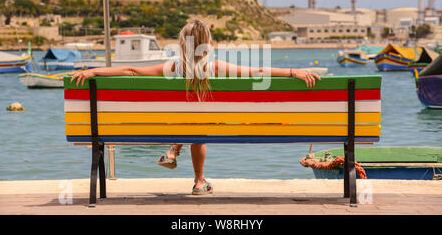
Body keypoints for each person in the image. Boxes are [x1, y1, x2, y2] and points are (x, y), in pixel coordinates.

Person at [70, 19, 320, 195]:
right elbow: (257, 72)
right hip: (212, 127)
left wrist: (94, 70)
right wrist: (292, 71)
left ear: (182, 42)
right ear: (207, 43)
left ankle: (173, 151)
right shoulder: (217, 67)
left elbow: (132, 69)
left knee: (193, 121)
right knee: (200, 124)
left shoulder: (172, 67)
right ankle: (199, 181)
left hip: (176, 124)